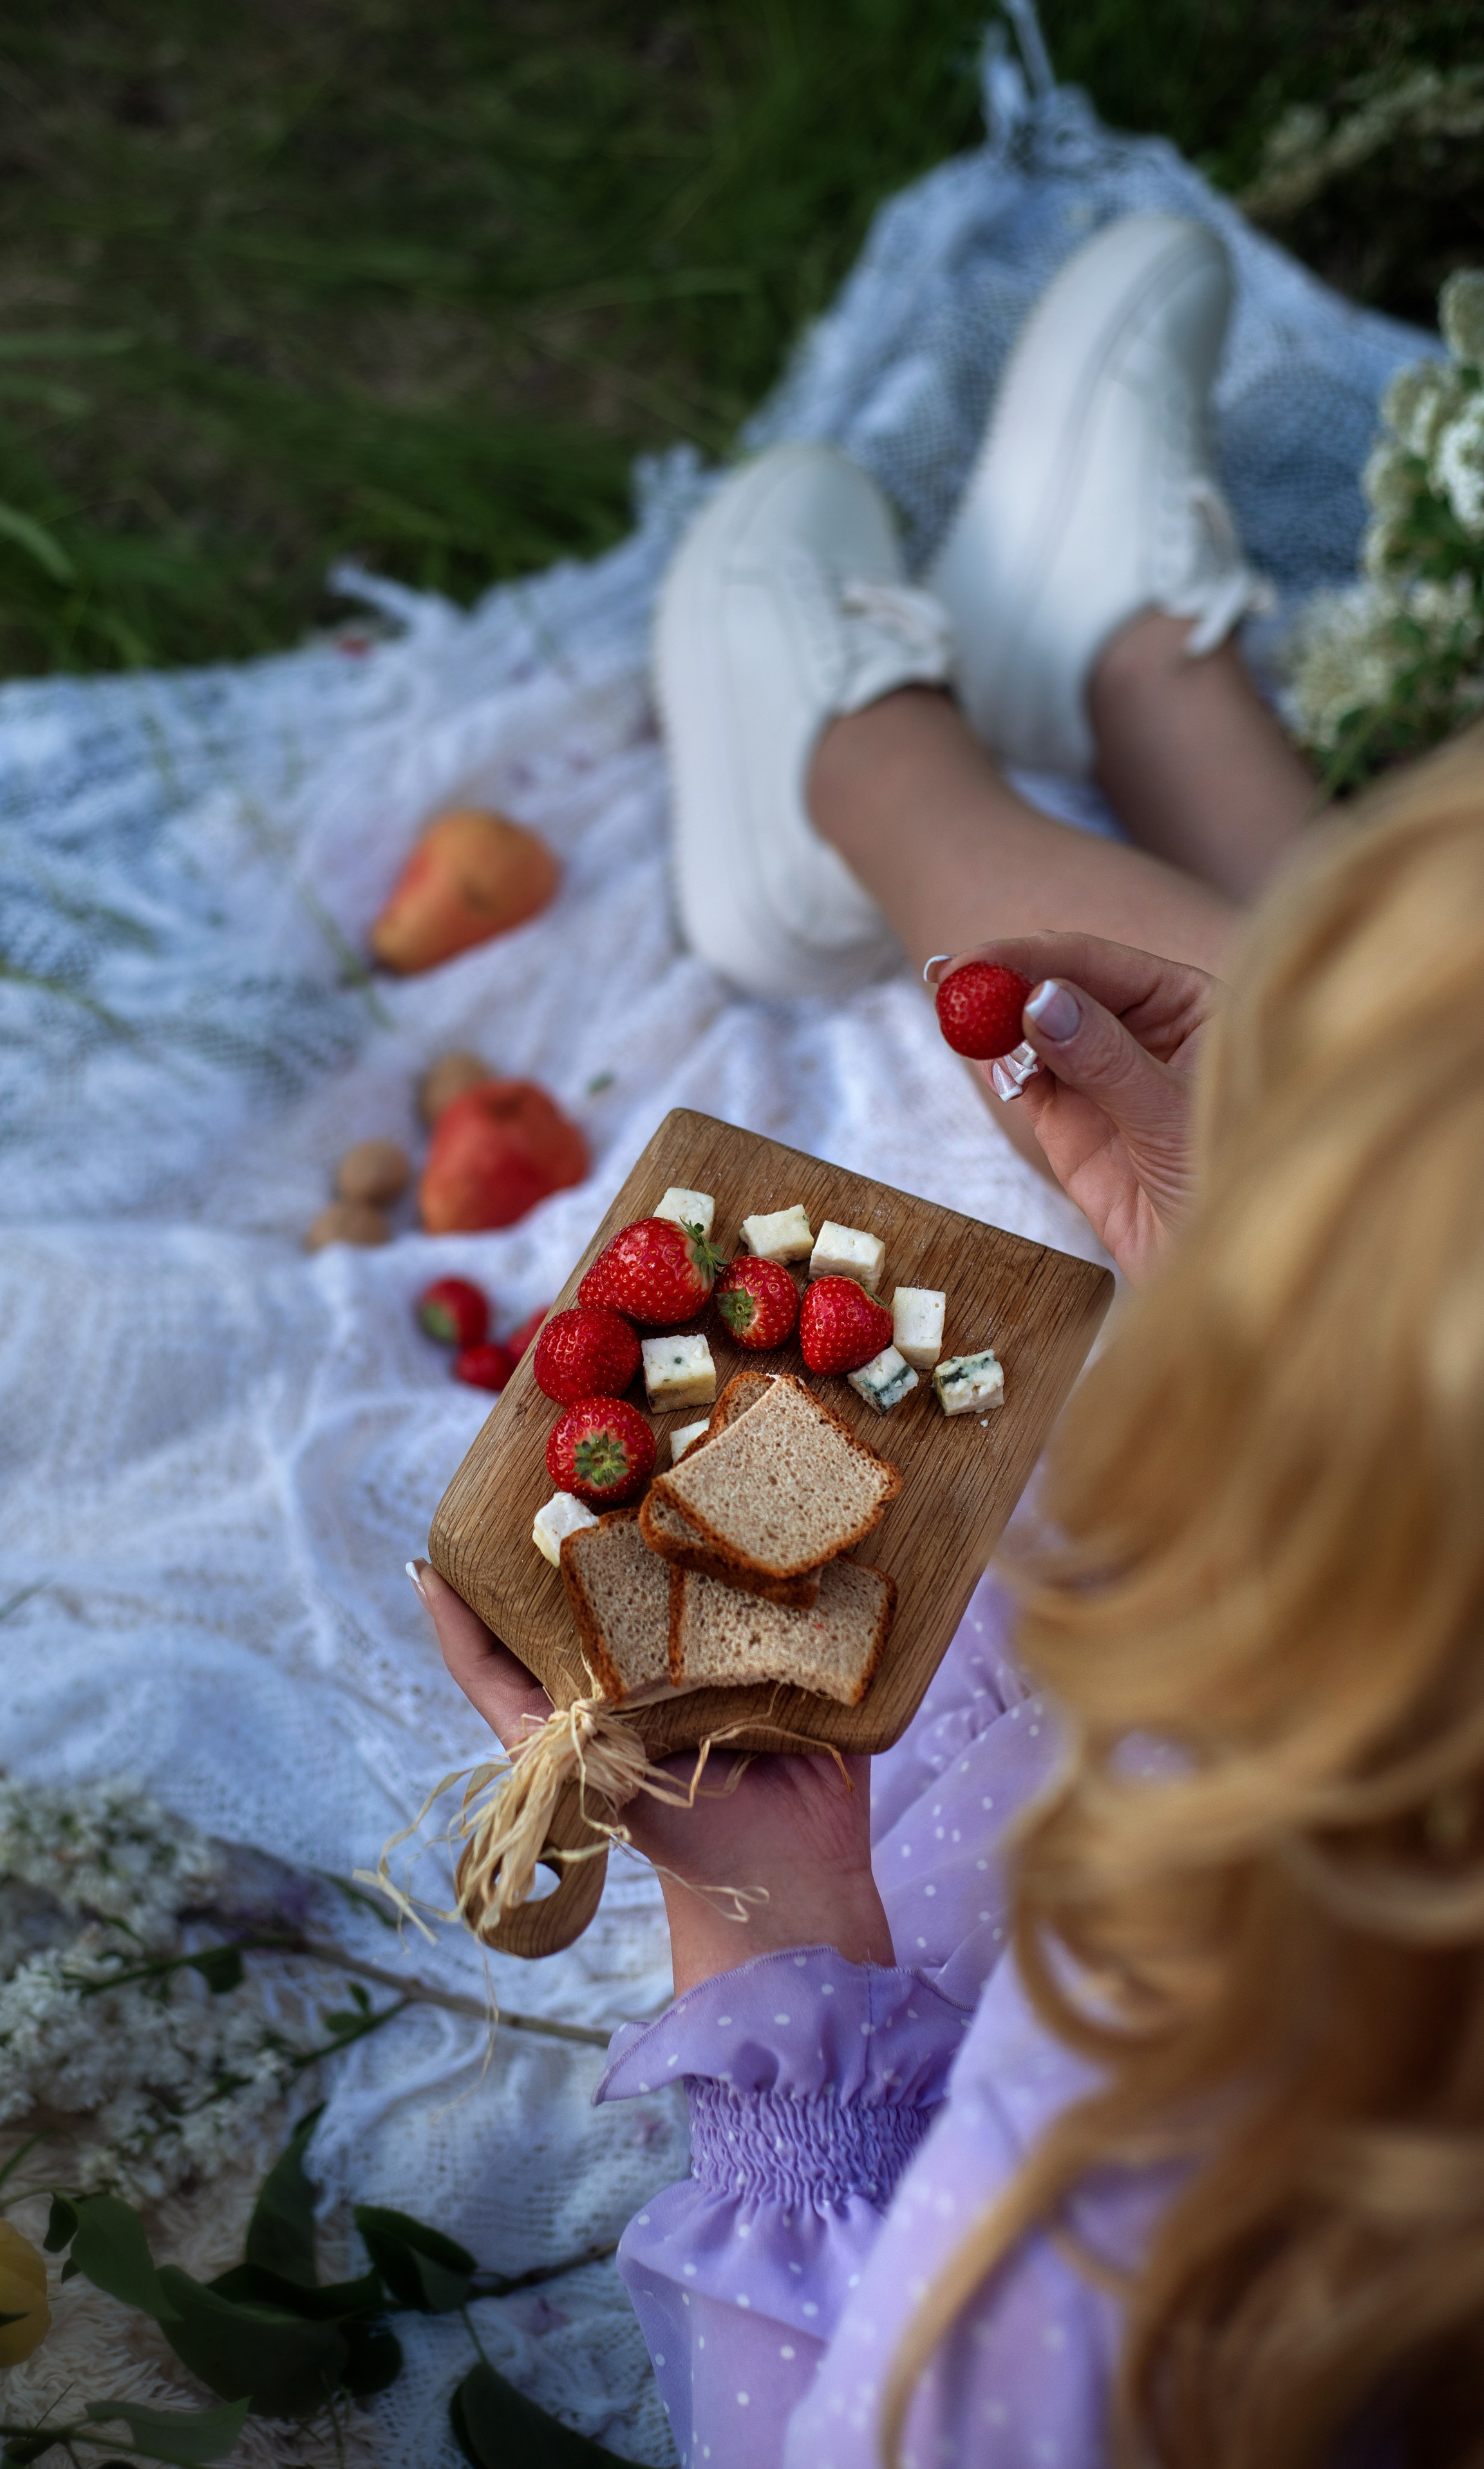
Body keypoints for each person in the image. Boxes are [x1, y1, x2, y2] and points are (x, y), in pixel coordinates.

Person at [409, 214, 1484, 2464]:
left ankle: (865, 779)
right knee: (1378, 1081)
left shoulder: (1138, 2257)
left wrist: (772, 1930)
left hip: (1033, 1852)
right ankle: (1146, 680)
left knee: (1355, 1098)